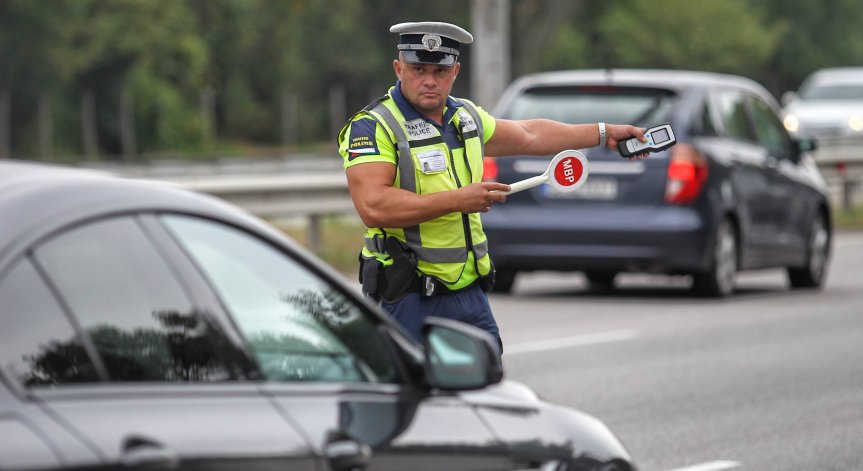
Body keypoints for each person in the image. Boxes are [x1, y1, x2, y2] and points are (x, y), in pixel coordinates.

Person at [337, 21, 650, 350]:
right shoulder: (373, 126)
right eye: (417, 69)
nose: (429, 80)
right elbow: (374, 206)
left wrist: (603, 134)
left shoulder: (465, 116)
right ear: (398, 69)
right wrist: (458, 200)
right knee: (411, 396)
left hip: (469, 292)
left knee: (486, 391)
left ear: (455, 72)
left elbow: (529, 134)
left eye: (440, 71)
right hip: (407, 295)